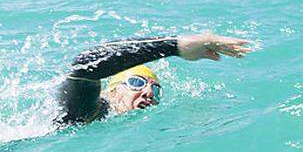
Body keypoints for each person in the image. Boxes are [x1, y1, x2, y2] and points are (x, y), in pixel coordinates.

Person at [55, 33, 251, 125]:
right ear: (112, 91)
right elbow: (85, 65)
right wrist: (175, 46)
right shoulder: (89, 110)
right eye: (137, 83)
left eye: (156, 89)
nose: (149, 92)